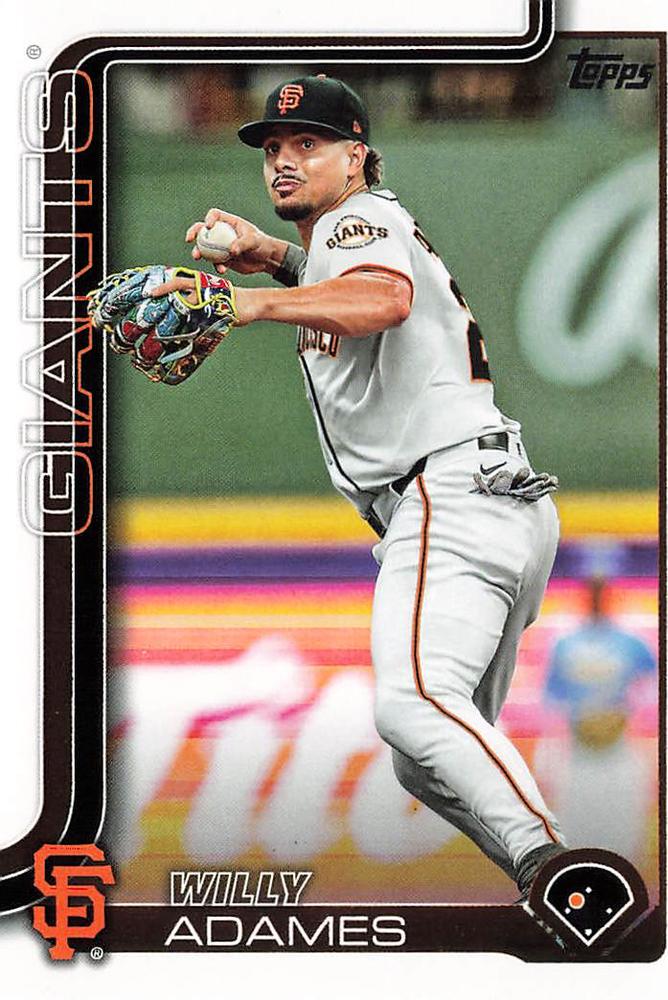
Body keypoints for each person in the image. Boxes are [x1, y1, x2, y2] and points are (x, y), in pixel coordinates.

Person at [150, 74, 568, 896]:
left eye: (308, 143)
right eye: (273, 147)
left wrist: (244, 303)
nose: (283, 160)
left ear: (356, 156)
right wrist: (278, 260)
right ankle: (553, 887)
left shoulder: (357, 218)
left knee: (412, 706)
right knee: (427, 754)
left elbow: (381, 299)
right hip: (495, 497)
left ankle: (561, 869)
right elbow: (352, 285)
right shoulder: (347, 236)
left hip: (448, 495)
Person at [539, 574, 657, 861]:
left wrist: (627, 711)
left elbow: (654, 683)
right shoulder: (565, 643)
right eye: (592, 595)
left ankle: (622, 869)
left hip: (619, 744)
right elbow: (552, 695)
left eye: (601, 595)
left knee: (621, 818)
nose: (596, 601)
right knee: (577, 818)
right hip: (577, 744)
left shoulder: (630, 642)